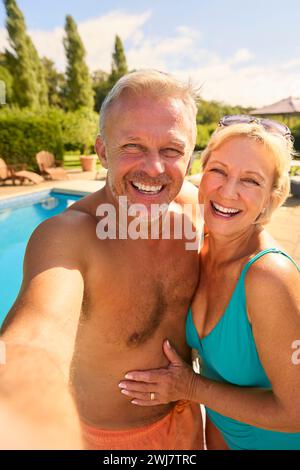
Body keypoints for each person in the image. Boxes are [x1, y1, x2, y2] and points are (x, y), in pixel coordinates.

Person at [0, 70, 204, 450]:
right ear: (102, 150)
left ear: (190, 158)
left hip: (187, 424)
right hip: (105, 441)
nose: (154, 168)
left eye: (172, 150)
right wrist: (21, 412)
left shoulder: (194, 212)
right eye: (132, 146)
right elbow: (37, 334)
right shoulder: (71, 235)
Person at [118, 115, 300, 450]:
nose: (228, 191)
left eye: (251, 181)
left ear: (272, 198)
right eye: (218, 171)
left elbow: (296, 412)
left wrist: (190, 388)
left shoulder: (268, 277)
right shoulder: (199, 248)